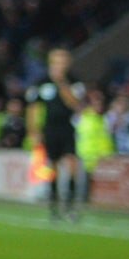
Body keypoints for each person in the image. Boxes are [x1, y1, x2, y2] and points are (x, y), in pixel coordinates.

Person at [29, 49, 83, 220]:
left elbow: (74, 103)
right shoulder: (42, 83)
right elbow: (33, 107)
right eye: (56, 62)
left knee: (72, 163)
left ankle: (71, 206)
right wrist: (33, 130)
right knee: (52, 167)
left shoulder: (74, 82)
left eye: (63, 62)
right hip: (50, 129)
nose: (59, 65)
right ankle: (53, 206)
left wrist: (62, 83)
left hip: (67, 128)